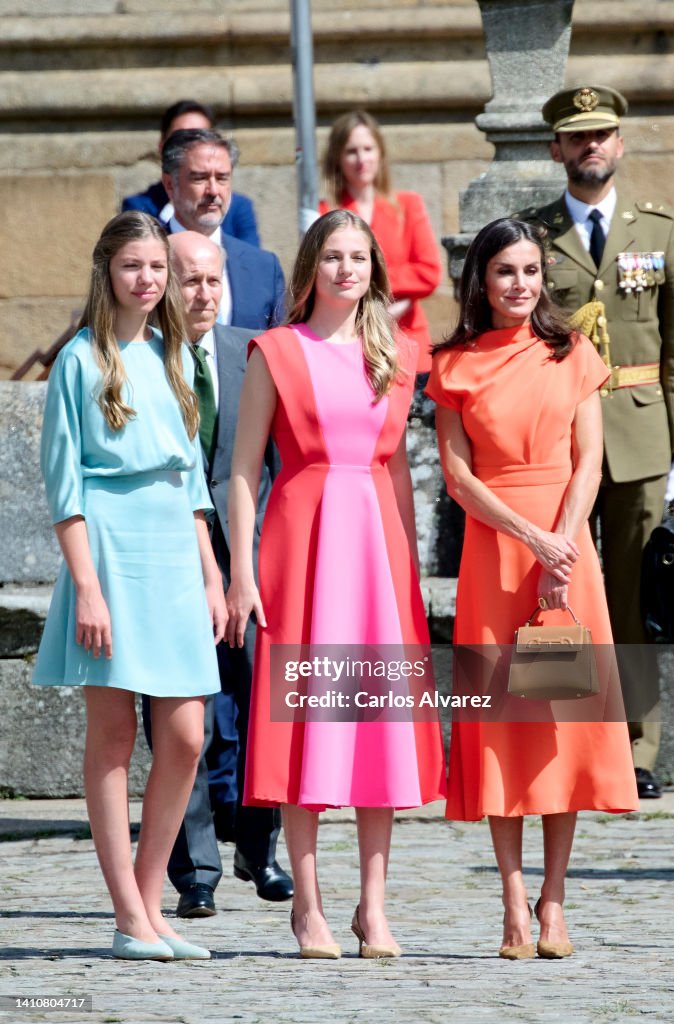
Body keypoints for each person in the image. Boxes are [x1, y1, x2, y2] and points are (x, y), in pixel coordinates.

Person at [226, 209, 446, 959]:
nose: (347, 269)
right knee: (308, 729)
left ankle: (373, 907)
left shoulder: (400, 352)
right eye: (334, 257)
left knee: (378, 734)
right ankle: (309, 907)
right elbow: (243, 473)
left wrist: (410, 565)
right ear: (311, 268)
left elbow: (396, 472)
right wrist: (241, 572)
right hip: (302, 547)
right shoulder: (276, 352)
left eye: (359, 258)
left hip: (378, 554)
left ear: (374, 270)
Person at [426, 217, 638, 959]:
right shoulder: (452, 364)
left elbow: (590, 461)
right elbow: (458, 477)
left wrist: (562, 545)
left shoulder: (573, 351)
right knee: (504, 729)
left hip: (566, 556)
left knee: (559, 729)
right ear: (481, 281)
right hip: (498, 555)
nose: (521, 284)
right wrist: (531, 538)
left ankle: (554, 903)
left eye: (530, 270)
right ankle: (513, 905)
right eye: (505, 272)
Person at [33, 211, 227, 961]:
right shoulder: (80, 360)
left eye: (156, 267)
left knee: (187, 734)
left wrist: (212, 574)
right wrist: (87, 587)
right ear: (107, 271)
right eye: (132, 266)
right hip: (110, 555)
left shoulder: (173, 354)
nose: (147, 279)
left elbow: (192, 483)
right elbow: (65, 487)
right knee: (114, 737)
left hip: (175, 558)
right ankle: (126, 912)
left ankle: (147, 904)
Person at [517, 86, 674, 799]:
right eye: (577, 136)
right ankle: (553, 732)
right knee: (551, 587)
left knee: (631, 591)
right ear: (556, 148)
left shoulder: (660, 229)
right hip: (553, 444)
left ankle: (636, 749)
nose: (592, 146)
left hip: (641, 434)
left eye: (603, 134)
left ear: (619, 143)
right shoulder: (531, 234)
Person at [141, 231, 292, 920]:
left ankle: (260, 848)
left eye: (212, 280)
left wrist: (263, 564)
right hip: (166, 564)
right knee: (182, 720)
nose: (203, 294)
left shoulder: (249, 354)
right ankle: (193, 868)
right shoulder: (138, 362)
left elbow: (276, 467)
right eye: (188, 280)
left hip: (253, 562)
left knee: (267, 705)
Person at [320, 110, 441, 374]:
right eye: (352, 151)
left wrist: (365, 276)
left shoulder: (408, 205)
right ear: (338, 158)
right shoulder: (325, 213)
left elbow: (429, 272)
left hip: (406, 338)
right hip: (350, 340)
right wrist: (398, 288)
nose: (361, 159)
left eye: (368, 149)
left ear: (380, 153)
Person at [160, 128, 284, 330]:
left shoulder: (263, 267)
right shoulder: (146, 259)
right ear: (170, 185)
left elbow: (278, 348)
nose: (214, 191)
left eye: (222, 178)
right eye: (199, 178)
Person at [122, 99, 260, 247]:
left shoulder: (238, 207)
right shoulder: (140, 206)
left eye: (202, 136)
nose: (213, 191)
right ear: (162, 146)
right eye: (199, 178)